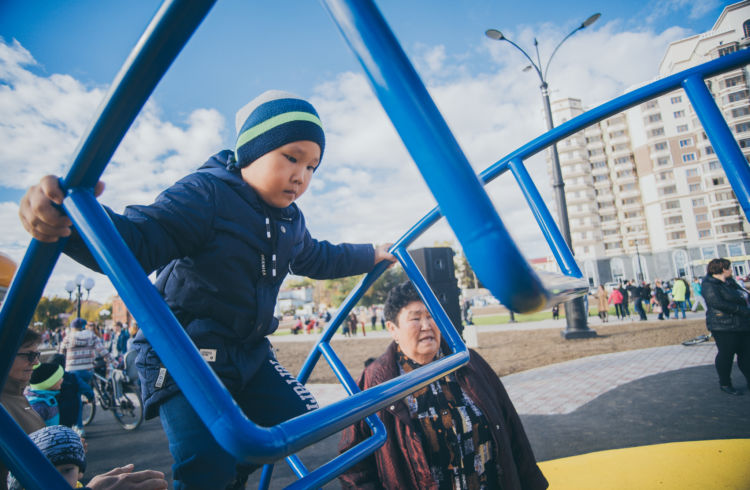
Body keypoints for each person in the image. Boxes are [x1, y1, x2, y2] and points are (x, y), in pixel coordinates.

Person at [19, 90, 395, 489]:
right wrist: (76, 222)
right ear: (252, 151)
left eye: (313, 166)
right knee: (205, 464)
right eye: (291, 157)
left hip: (246, 353)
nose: (302, 175)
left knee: (298, 417)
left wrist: (370, 254)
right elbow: (142, 239)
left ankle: (225, 478)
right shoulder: (207, 194)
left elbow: (320, 257)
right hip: (183, 356)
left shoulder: (290, 221)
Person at [338, 281, 548, 489]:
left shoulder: (469, 362)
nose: (427, 325)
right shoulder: (374, 382)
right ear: (393, 328)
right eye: (415, 318)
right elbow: (354, 467)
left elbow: (510, 426)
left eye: (431, 316)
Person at [2, 331, 168, 490]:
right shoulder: (9, 401)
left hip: (71, 368)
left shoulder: (17, 395)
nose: (37, 362)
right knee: (78, 399)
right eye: (29, 355)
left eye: (37, 355)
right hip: (87, 369)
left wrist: (62, 449)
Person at [701, 258, 750, 396]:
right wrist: (743, 311)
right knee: (726, 355)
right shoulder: (709, 284)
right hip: (723, 326)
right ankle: (725, 383)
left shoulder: (730, 282)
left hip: (742, 324)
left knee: (746, 354)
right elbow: (717, 303)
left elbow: (743, 296)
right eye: (729, 267)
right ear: (723, 269)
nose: (731, 270)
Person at [58, 317, 112, 437]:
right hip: (87, 370)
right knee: (86, 388)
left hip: (72, 370)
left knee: (76, 397)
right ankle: (90, 396)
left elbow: (60, 354)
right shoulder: (91, 336)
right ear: (83, 326)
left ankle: (79, 427)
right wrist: (112, 361)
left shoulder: (68, 337)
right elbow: (102, 351)